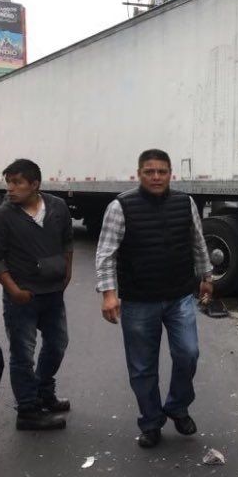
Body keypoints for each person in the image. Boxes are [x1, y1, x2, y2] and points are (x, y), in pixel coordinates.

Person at [95, 149, 213, 448]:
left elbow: (198, 242)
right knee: (142, 367)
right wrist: (109, 294)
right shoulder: (120, 206)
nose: (156, 177)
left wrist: (207, 277)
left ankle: (177, 406)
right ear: (139, 174)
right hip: (138, 301)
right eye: (150, 171)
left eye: (162, 171)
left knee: (188, 353)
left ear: (171, 173)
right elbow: (106, 254)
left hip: (179, 296)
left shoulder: (185, 203)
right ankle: (150, 422)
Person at [0, 159, 72, 430]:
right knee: (23, 353)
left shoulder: (57, 207)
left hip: (53, 293)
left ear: (35, 184)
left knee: (57, 345)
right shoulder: (1, 216)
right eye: (8, 183)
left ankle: (44, 390)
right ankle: (27, 410)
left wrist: (67, 272)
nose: (10, 189)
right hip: (21, 297)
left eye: (17, 183)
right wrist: (13, 290)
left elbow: (67, 241)